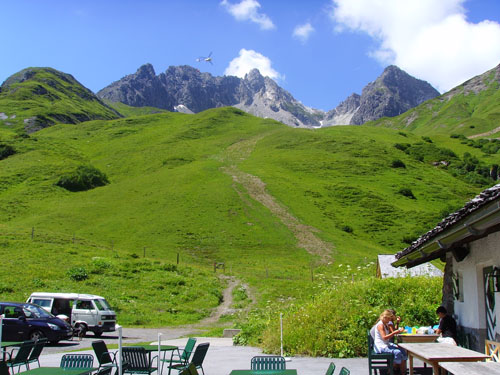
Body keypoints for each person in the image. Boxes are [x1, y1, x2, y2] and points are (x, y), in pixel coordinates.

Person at [372, 310, 407, 374]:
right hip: (381, 346)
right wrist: (394, 333)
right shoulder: (380, 325)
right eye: (389, 319)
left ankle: (402, 371)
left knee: (402, 350)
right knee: (397, 352)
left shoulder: (386, 324)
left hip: (386, 344)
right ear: (385, 318)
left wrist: (396, 329)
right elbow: (384, 337)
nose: (389, 320)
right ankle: (391, 370)